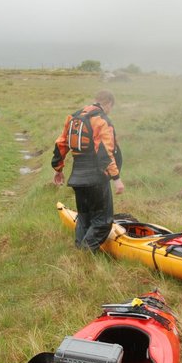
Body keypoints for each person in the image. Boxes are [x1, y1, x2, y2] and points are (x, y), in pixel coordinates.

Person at [52, 90, 124, 252]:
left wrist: (58, 169)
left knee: (84, 218)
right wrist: (116, 178)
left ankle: (79, 252)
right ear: (108, 104)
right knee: (103, 222)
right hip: (96, 179)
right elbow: (105, 152)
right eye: (111, 108)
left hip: (77, 177)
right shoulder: (100, 120)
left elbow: (60, 144)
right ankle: (84, 253)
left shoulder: (73, 117)